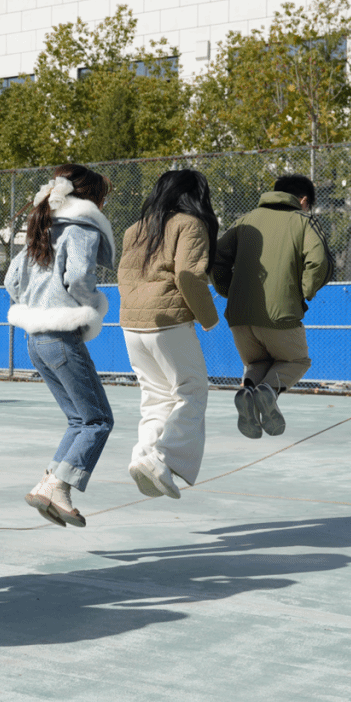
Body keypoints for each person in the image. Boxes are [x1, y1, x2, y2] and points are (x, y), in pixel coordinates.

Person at [5, 165, 115, 527]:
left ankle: (47, 485)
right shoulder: (82, 227)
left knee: (79, 419)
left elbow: (11, 280)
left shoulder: (44, 226)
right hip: (61, 335)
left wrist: (36, 302)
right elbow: (80, 277)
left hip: (34, 338)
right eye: (102, 198)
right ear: (91, 199)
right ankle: (59, 486)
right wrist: (92, 306)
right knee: (98, 420)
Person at [118, 169, 220, 498]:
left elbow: (123, 276)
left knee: (156, 398)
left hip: (131, 324)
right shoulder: (190, 224)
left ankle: (144, 457)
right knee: (192, 392)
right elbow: (188, 275)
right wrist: (208, 318)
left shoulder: (135, 229)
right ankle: (162, 460)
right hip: (168, 322)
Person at [212, 173, 333, 439]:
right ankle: (268, 391)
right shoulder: (304, 221)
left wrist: (229, 290)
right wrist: (303, 292)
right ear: (303, 200)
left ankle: (248, 390)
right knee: (296, 361)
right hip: (281, 314)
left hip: (239, 316)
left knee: (258, 362)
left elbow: (217, 257)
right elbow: (318, 261)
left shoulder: (244, 221)